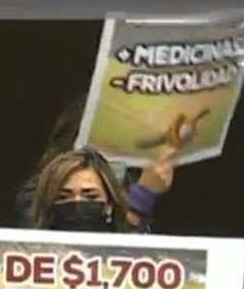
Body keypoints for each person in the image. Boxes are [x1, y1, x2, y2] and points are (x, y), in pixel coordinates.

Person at [27, 147, 244, 289]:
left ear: (108, 204)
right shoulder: (20, 263)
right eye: (64, 197)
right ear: (49, 205)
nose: (77, 204)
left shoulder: (144, 263)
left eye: (90, 196)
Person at [14, 94, 178, 232]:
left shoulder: (128, 182)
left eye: (91, 196)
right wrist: (142, 195)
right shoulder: (35, 192)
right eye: (64, 196)